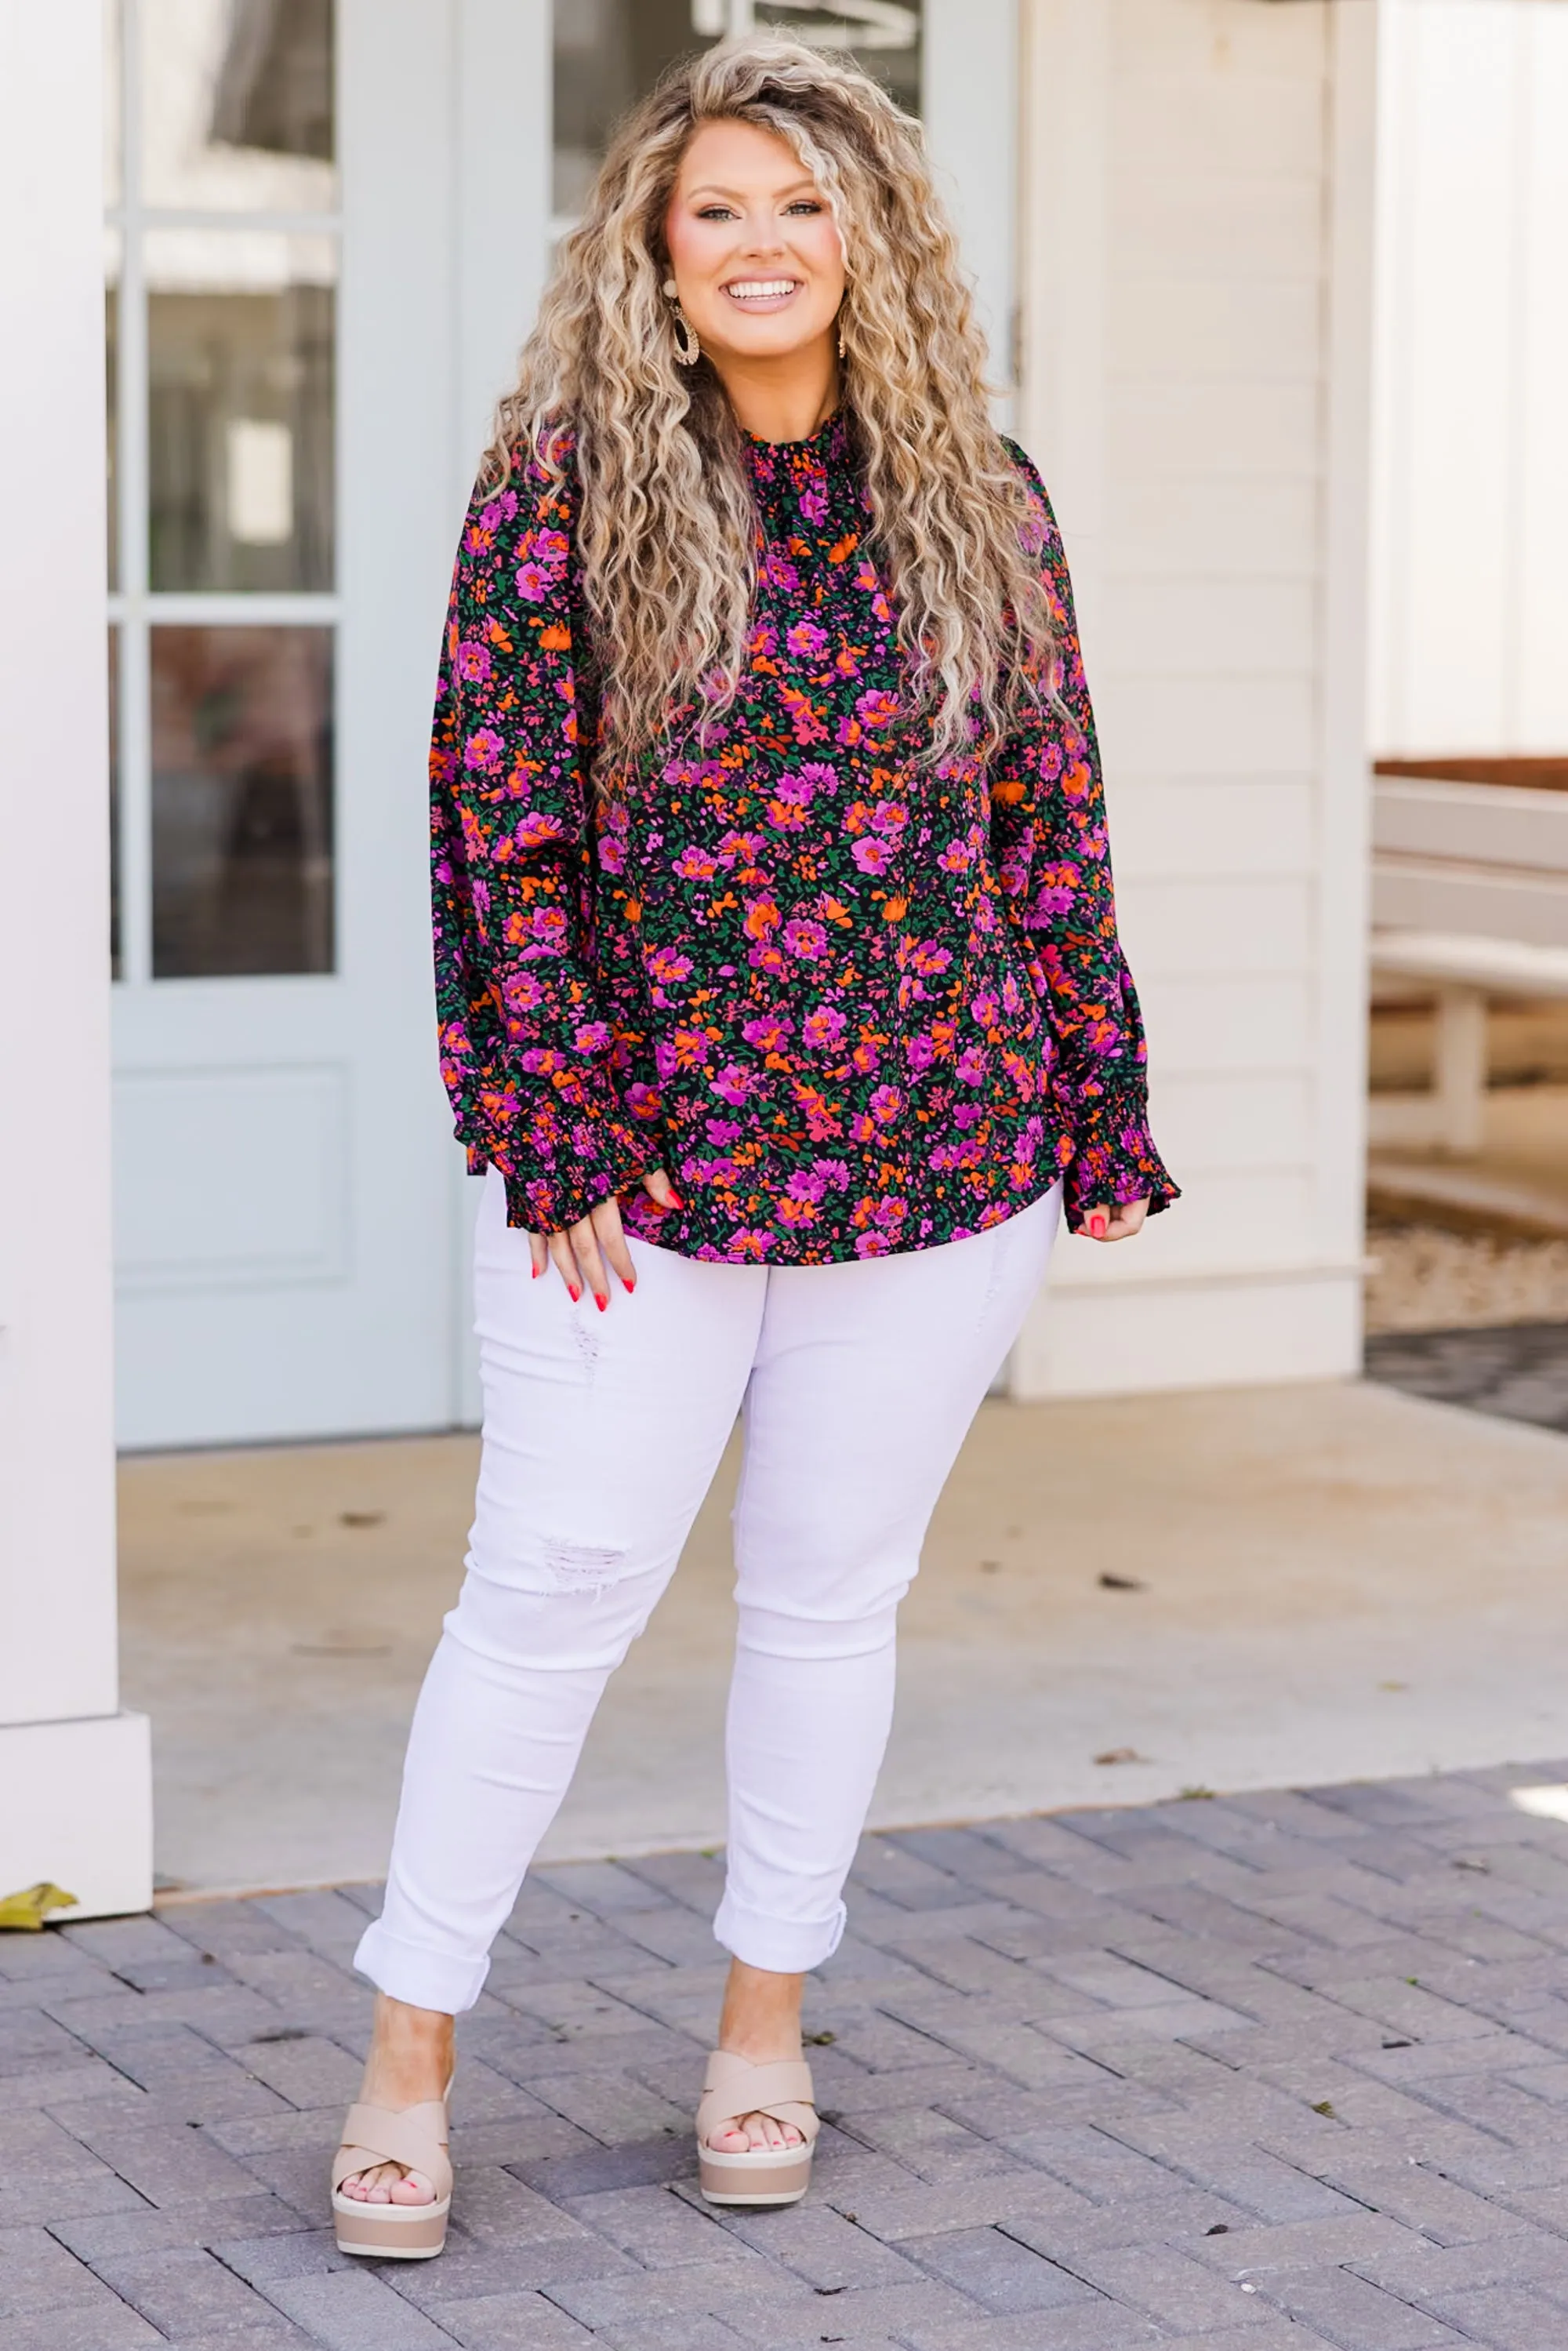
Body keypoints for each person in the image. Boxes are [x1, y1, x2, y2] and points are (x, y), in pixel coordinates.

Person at [331, 33, 1176, 2258]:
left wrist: (1093, 1097)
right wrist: (555, 1118)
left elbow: (1050, 823)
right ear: (655, 249)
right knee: (551, 1594)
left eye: (805, 204)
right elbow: (496, 833)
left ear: (871, 235)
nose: (764, 243)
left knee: (826, 1605)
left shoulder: (980, 496)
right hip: (645, 1185)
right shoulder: (563, 489)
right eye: (719, 208)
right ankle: (407, 2044)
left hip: (936, 1155)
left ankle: (760, 2030)